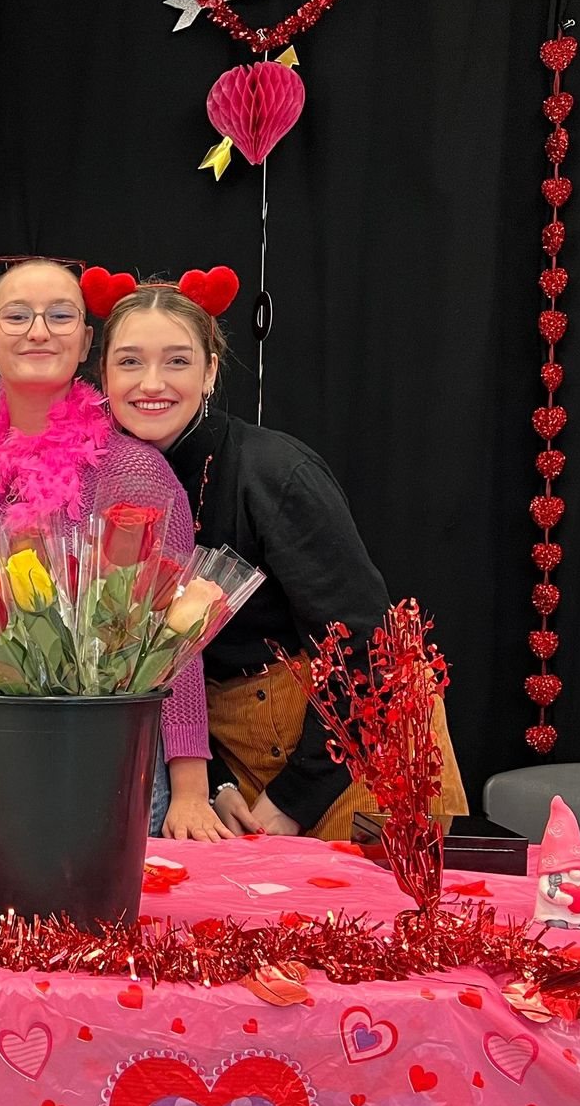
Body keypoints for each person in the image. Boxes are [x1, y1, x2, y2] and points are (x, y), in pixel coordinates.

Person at [97, 280, 467, 840]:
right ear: (103, 374)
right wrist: (215, 782)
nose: (152, 383)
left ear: (211, 372)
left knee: (373, 918)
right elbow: (158, 662)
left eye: (177, 361)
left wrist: (292, 800)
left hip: (353, 741)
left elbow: (370, 651)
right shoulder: (102, 482)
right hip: (228, 753)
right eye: (130, 362)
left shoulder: (274, 473)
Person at [0, 259, 223, 841]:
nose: (39, 331)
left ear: (86, 343)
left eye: (60, 315)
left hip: (110, 763)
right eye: (17, 316)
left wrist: (192, 790)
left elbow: (176, 639)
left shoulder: (132, 469)